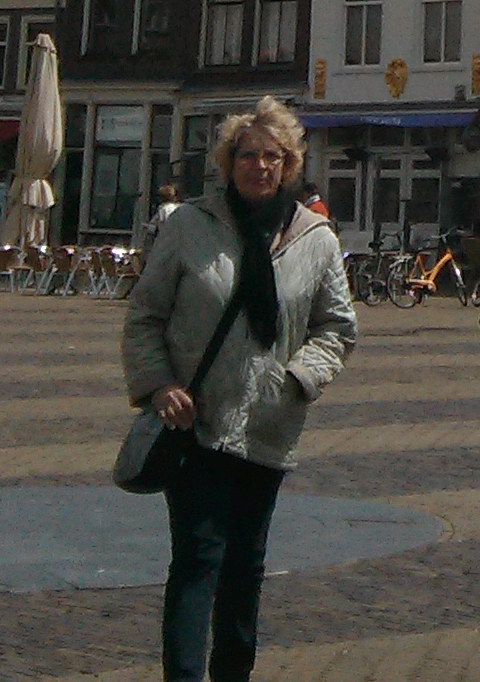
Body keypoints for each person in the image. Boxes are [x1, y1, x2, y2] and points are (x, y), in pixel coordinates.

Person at [123, 98, 354, 682]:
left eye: (272, 157)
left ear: (289, 164)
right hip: (195, 422)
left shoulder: (315, 238)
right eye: (248, 156)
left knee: (245, 566)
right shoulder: (189, 226)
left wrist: (298, 379)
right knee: (198, 558)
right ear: (229, 163)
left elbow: (337, 327)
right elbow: (145, 315)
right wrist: (159, 385)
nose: (259, 167)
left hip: (268, 424)